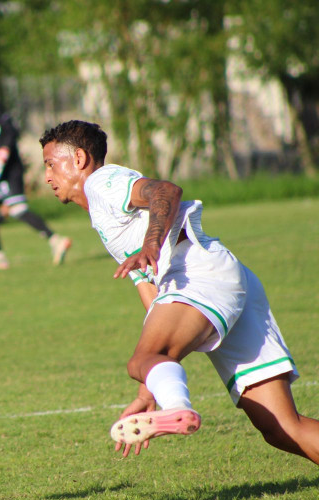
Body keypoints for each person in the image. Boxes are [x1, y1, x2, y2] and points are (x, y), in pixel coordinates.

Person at [39, 119, 319, 463]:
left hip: (196, 273)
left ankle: (178, 410)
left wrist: (151, 244)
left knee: (140, 360)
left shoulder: (102, 183)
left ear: (79, 159)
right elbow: (152, 299)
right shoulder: (102, 213)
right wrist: (148, 388)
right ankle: (171, 403)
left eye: (51, 164)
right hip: (219, 277)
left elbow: (166, 191)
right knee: (281, 427)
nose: (47, 177)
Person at [0, 64, 71, 270]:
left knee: (16, 209)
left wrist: (2, 156)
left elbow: (11, 130)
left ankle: (55, 240)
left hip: (7, 168)